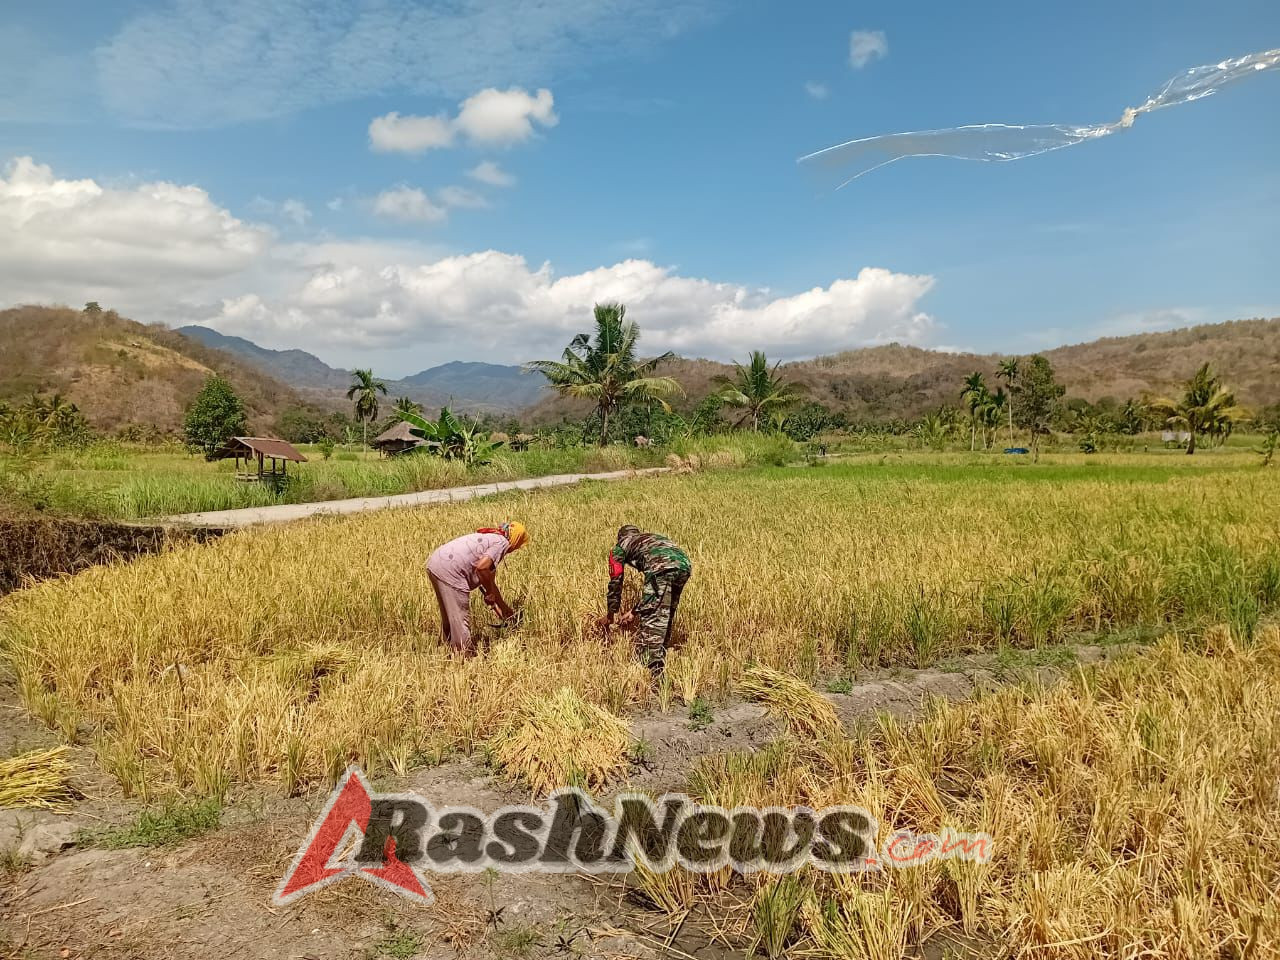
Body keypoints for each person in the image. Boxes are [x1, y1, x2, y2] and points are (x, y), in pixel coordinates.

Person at [601, 525, 692, 678]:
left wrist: (611, 614)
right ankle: (660, 654)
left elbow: (615, 581)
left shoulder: (619, 547)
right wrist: (634, 611)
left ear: (620, 538)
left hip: (660, 567)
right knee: (665, 612)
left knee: (653, 615)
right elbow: (653, 596)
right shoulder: (650, 538)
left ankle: (652, 667)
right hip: (684, 566)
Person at [427, 521, 528, 656]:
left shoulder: (492, 537)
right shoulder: (502, 543)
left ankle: (445, 652)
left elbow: (488, 580)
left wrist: (503, 608)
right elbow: (481, 568)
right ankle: (464, 657)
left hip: (436, 563)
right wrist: (490, 594)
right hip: (451, 571)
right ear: (516, 540)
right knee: (459, 619)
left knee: (450, 618)